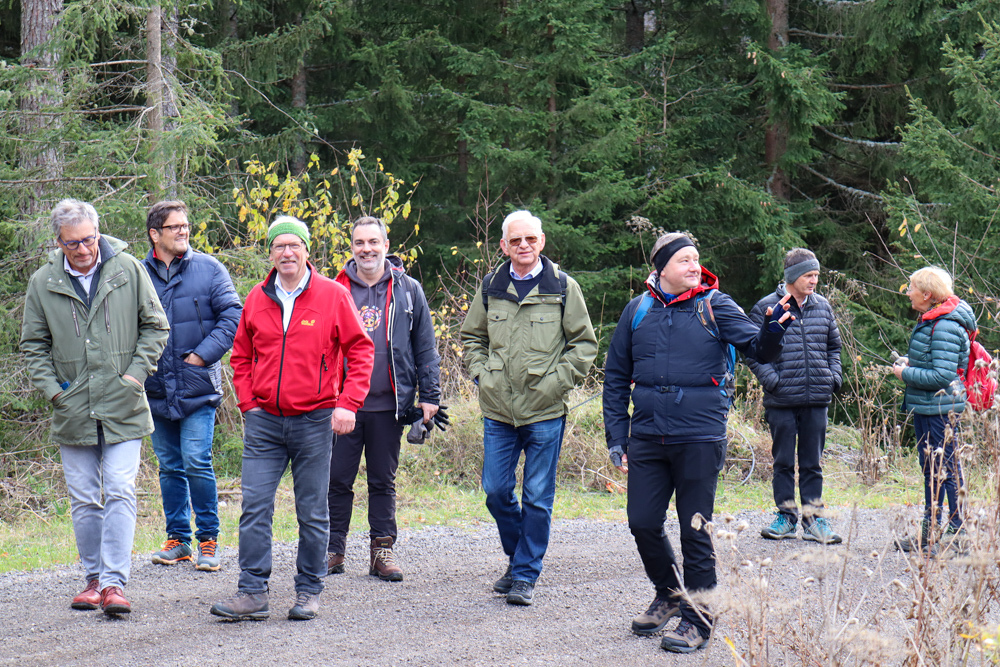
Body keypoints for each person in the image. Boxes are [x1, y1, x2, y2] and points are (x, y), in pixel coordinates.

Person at [602, 232, 792, 654]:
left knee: (695, 529)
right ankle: (670, 593)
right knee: (642, 522)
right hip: (646, 436)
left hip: (700, 436)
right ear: (661, 268)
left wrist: (774, 330)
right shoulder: (638, 309)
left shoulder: (716, 305)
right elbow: (615, 377)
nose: (694, 266)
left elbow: (759, 349)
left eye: (696, 258)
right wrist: (617, 436)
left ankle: (699, 620)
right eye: (684, 260)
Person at [210, 216, 374, 622]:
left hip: (315, 419)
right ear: (271, 253)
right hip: (265, 421)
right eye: (279, 246)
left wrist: (348, 403)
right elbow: (241, 356)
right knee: (254, 506)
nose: (287, 253)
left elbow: (361, 350)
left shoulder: (333, 295)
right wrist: (248, 404)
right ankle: (252, 591)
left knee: (312, 510)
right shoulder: (256, 297)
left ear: (306, 251)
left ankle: (309, 590)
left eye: (294, 246)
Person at [20, 199, 169, 616]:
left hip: (124, 404)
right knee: (84, 498)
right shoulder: (43, 282)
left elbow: (156, 327)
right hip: (73, 408)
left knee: (120, 489)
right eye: (73, 244)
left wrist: (135, 376)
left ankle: (113, 584)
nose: (83, 249)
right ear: (58, 242)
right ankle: (92, 579)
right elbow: (33, 345)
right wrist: (55, 392)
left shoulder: (128, 270)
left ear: (98, 233)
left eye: (89, 239)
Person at [460, 210, 597, 607]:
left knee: (537, 496)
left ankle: (524, 574)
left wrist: (556, 384)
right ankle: (520, 555)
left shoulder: (563, 287)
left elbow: (584, 345)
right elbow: (472, 337)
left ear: (542, 241)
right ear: (504, 246)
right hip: (498, 410)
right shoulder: (491, 286)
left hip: (545, 411)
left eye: (530, 239)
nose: (524, 245)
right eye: (515, 240)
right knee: (495, 491)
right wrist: (482, 375)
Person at [328, 216, 441, 581]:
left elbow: (425, 346)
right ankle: (332, 550)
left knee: (382, 481)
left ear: (386, 246)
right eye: (360, 243)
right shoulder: (334, 289)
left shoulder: (408, 289)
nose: (367, 249)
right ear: (351, 248)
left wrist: (430, 395)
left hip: (390, 405)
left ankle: (382, 551)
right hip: (343, 405)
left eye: (373, 242)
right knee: (336, 479)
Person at [142, 201, 242, 571]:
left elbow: (233, 314)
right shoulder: (138, 274)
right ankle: (178, 540)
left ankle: (209, 541)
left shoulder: (209, 268)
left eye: (186, 225)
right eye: (175, 227)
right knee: (169, 465)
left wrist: (203, 355)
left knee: (196, 460)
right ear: (155, 234)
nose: (184, 231)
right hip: (155, 389)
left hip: (198, 387)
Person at [746, 249, 843, 544]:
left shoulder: (823, 306)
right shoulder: (766, 307)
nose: (814, 280)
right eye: (808, 275)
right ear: (792, 276)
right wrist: (773, 382)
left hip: (817, 399)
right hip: (781, 400)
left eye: (816, 275)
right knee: (784, 462)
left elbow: (834, 347)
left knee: (813, 464)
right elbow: (753, 352)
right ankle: (786, 518)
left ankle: (814, 521)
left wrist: (833, 378)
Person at [890, 266, 974, 552]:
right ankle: (934, 533)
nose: (908, 292)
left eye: (912, 287)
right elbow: (936, 362)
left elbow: (942, 376)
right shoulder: (934, 319)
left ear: (927, 294)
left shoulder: (945, 324)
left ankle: (955, 534)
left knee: (943, 469)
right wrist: (911, 362)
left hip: (940, 408)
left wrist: (905, 374)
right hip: (930, 407)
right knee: (934, 469)